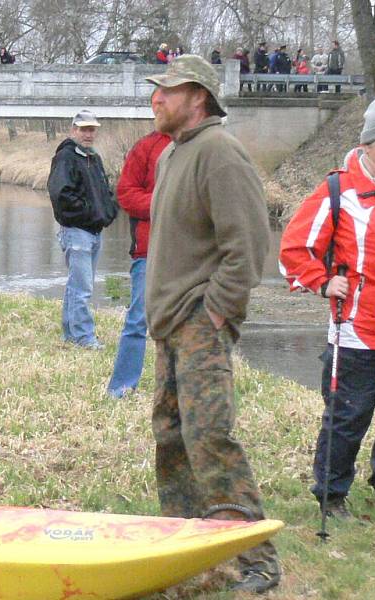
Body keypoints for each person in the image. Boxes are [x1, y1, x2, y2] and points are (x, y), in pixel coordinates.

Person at [144, 55, 279, 593]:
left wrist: (215, 312)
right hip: (169, 324)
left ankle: (257, 561)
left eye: (166, 90)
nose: (155, 98)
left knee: (210, 438)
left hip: (198, 323)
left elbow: (246, 247)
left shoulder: (220, 153)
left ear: (198, 96)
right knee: (171, 437)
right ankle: (184, 549)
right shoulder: (171, 156)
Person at [279, 96, 375, 517]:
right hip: (358, 333)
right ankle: (332, 493)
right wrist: (322, 282)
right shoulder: (339, 190)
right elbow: (295, 248)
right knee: (347, 418)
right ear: (370, 145)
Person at [106, 123, 171, 397]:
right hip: (148, 252)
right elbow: (126, 194)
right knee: (137, 320)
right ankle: (121, 388)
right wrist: (164, 203)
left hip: (192, 256)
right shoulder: (145, 147)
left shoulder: (202, 148)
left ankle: (175, 391)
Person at [47, 109, 118, 350]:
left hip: (93, 231)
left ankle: (70, 334)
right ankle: (84, 338)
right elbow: (61, 195)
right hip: (77, 231)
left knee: (76, 285)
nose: (88, 134)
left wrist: (109, 210)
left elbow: (105, 190)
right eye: (84, 129)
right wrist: (91, 213)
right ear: (73, 130)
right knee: (83, 287)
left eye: (92, 130)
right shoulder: (66, 158)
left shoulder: (93, 158)